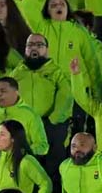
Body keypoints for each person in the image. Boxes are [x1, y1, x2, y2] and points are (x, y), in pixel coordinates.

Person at [12, 34, 74, 175]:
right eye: (30, 45)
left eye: (39, 45)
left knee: (54, 157)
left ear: (47, 50)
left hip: (51, 122)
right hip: (25, 123)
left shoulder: (56, 72)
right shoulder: (17, 72)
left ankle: (55, 189)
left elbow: (66, 94)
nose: (34, 48)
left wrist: (53, 118)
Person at [0, 77, 50, 157]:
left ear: (16, 93)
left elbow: (42, 145)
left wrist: (21, 151)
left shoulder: (30, 115)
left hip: (20, 163)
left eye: (3, 91)